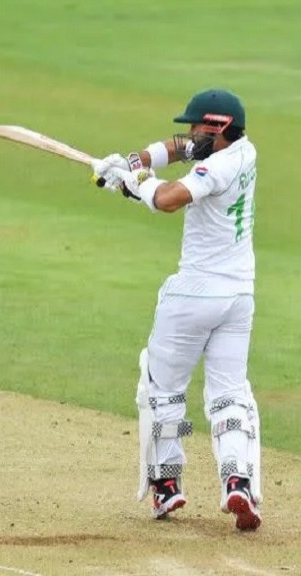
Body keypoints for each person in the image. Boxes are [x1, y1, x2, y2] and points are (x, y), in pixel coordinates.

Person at [92, 88, 262, 531]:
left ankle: (167, 486)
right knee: (229, 395)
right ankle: (237, 483)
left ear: (218, 128)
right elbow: (180, 149)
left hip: (192, 295)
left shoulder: (217, 167)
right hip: (238, 298)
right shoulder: (243, 150)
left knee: (164, 391)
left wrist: (133, 184)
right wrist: (136, 160)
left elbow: (168, 200)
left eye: (196, 125)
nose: (188, 134)